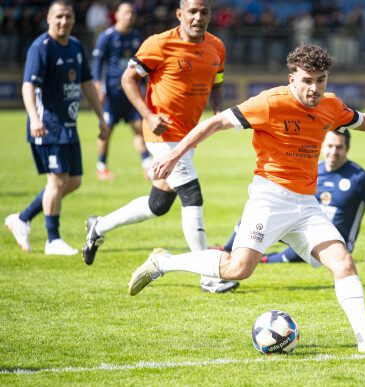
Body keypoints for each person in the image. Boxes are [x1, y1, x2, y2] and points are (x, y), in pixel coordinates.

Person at [128, 43, 365, 353]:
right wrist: (174, 155)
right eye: (307, 80)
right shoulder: (269, 103)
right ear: (293, 78)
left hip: (307, 205)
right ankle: (163, 262)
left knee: (343, 261)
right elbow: (215, 123)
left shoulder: (330, 104)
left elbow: (362, 121)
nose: (314, 88)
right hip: (269, 199)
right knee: (239, 269)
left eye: (321, 79)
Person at [82, 0, 239, 294]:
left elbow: (216, 80)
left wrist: (218, 108)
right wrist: (149, 115)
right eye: (192, 11)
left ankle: (98, 227)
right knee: (192, 194)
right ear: (180, 14)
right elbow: (129, 79)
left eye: (204, 12)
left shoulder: (217, 46)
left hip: (188, 136)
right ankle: (208, 276)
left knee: (158, 205)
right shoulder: (159, 44)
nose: (198, 17)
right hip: (161, 135)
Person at [5, 0, 107, 255]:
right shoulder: (41, 48)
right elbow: (28, 86)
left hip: (68, 125)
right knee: (57, 180)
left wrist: (101, 117)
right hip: (47, 125)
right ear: (49, 18)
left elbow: (87, 84)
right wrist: (35, 119)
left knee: (73, 181)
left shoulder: (75, 46)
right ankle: (53, 240)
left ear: (74, 19)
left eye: (68, 17)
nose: (64, 21)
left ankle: (23, 218)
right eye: (59, 17)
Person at [215, 129, 365, 264]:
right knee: (257, 212)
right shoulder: (312, 170)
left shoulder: (360, 178)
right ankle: (226, 248)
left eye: (339, 147)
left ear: (347, 149)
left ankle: (264, 259)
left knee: (292, 254)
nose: (333, 151)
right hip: (304, 227)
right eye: (329, 146)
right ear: (322, 146)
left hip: (333, 241)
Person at [91, 2, 151, 180]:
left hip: (132, 93)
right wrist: (98, 88)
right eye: (126, 13)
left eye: (132, 13)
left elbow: (144, 63)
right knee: (106, 130)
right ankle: (101, 167)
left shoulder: (136, 36)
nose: (129, 16)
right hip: (111, 94)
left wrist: (147, 85)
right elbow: (97, 64)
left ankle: (147, 166)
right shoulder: (107, 37)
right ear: (116, 15)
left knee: (139, 128)